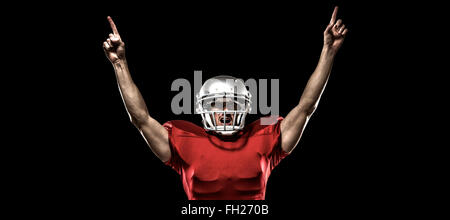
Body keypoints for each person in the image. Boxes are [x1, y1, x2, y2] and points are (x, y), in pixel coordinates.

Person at [103, 6, 348, 200]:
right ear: (203, 108)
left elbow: (306, 107)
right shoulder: (182, 139)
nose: (225, 110)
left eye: (232, 103)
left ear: (245, 107)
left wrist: (328, 51)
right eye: (217, 104)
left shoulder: (265, 134)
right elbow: (140, 119)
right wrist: (119, 63)